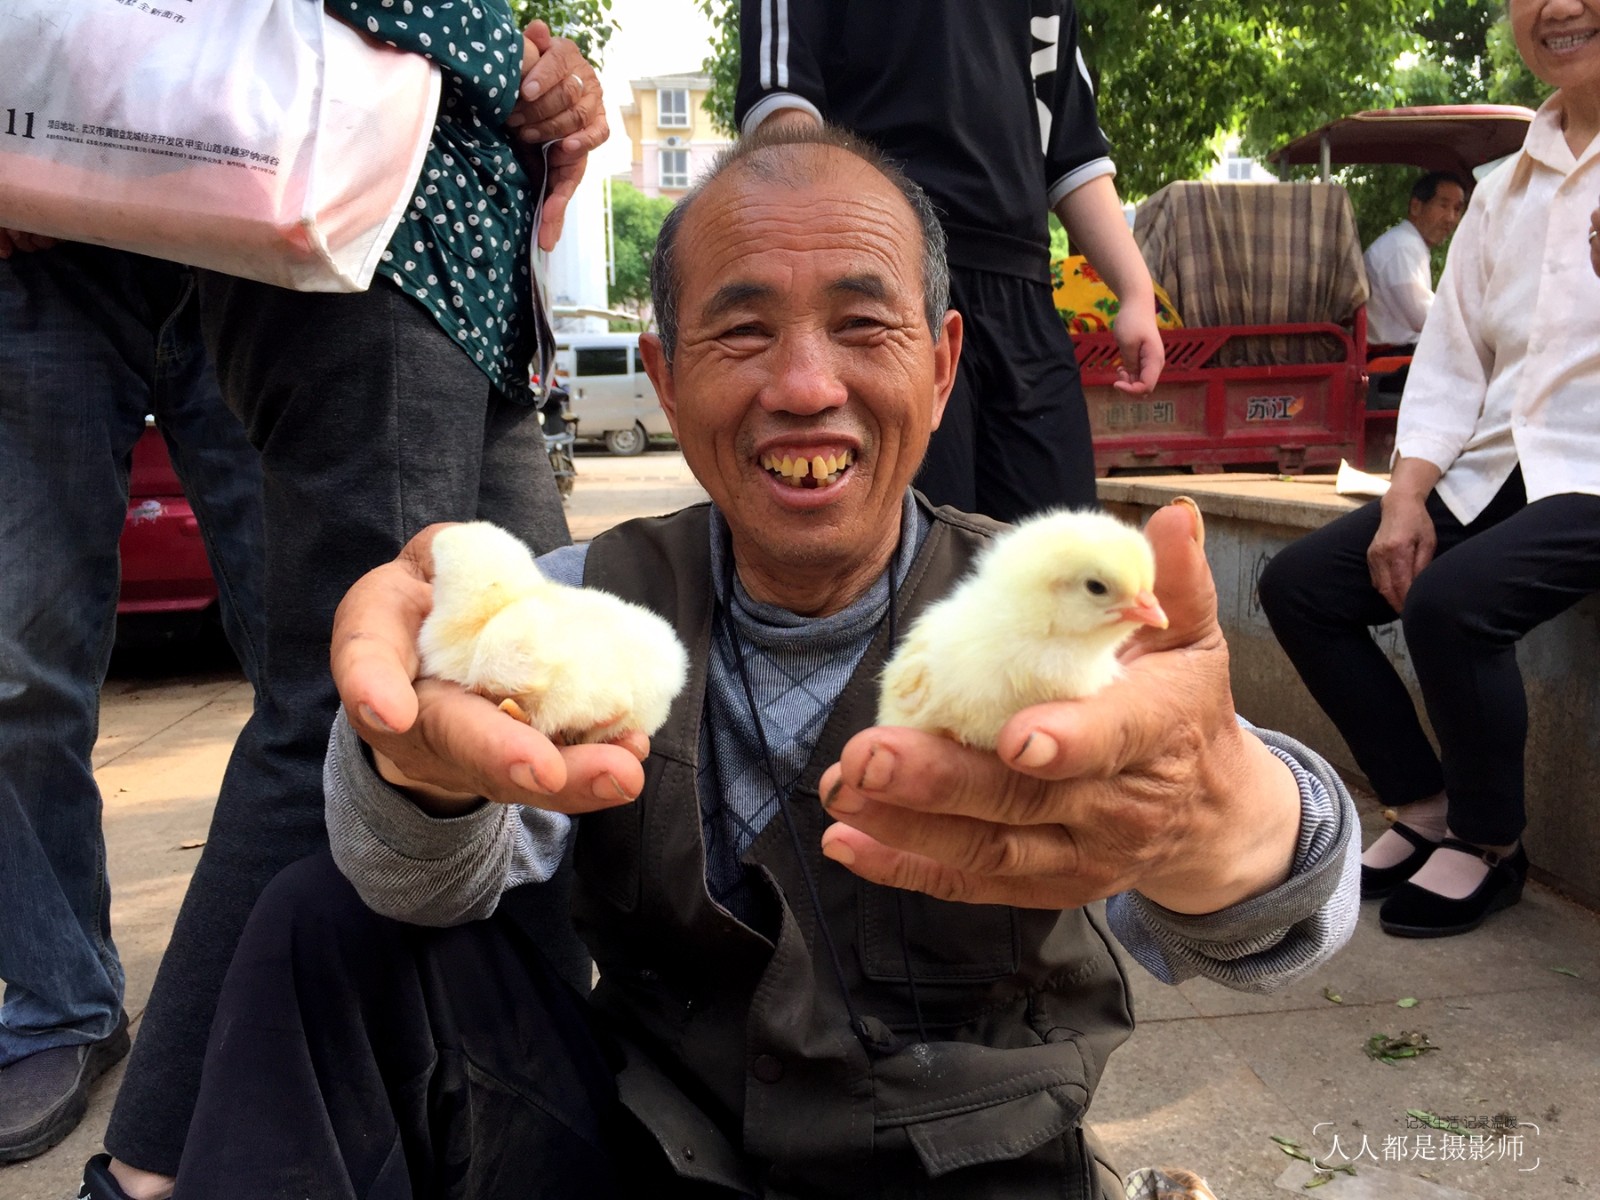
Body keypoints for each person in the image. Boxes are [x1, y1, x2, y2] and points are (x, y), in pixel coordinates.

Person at [165, 125, 1360, 1199]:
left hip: (976, 1174)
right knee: (319, 920)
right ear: (666, 377)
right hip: (645, 1155)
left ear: (941, 363)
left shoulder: (1063, 605)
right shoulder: (579, 604)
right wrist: (415, 776)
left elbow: (1270, 912)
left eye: (862, 324)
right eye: (742, 331)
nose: (803, 386)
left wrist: (1224, 818)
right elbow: (427, 884)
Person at [80, 8, 608, 1199]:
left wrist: (540, 68)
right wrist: (496, 59)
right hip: (361, 238)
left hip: (463, 252)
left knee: (536, 697)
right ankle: (147, 1172)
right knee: (357, 701)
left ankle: (532, 1113)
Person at [1258, 0, 1600, 940]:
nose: (1558, 8)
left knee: (1450, 603)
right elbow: (1452, 360)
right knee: (1300, 586)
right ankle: (1425, 804)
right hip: (1501, 461)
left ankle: (1490, 842)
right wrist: (1406, 492)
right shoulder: (1502, 190)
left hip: (1593, 470)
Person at [0, 238, 265, 1163]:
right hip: (36, 261)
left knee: (322, 657)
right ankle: (58, 998)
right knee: (14, 671)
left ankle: (328, 972)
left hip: (249, 251)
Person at [734, 0, 1163, 522]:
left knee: (1061, 548)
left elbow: (1072, 154)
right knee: (917, 550)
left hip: (1023, 298)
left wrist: (1135, 290)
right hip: (888, 286)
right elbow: (784, 110)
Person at [1361, 171, 1467, 352]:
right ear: (1416, 206)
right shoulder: (1402, 246)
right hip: (1393, 358)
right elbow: (1424, 317)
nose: (1450, 218)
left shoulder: (1408, 243)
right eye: (1443, 206)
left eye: (1457, 209)